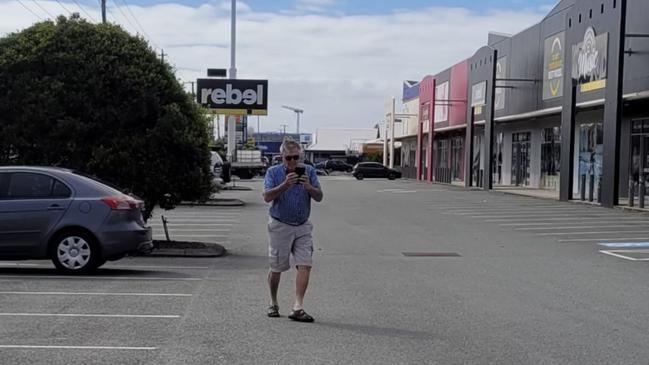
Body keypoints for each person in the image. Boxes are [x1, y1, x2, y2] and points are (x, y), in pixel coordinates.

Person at [263, 139, 323, 322]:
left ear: (301, 156)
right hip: (280, 224)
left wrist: (309, 187)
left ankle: (298, 306)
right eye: (288, 158)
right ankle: (273, 302)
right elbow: (266, 196)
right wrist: (285, 185)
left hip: (303, 224)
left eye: (296, 157)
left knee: (305, 264)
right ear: (281, 157)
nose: (292, 162)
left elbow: (319, 197)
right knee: (277, 267)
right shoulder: (273, 172)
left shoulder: (309, 171)